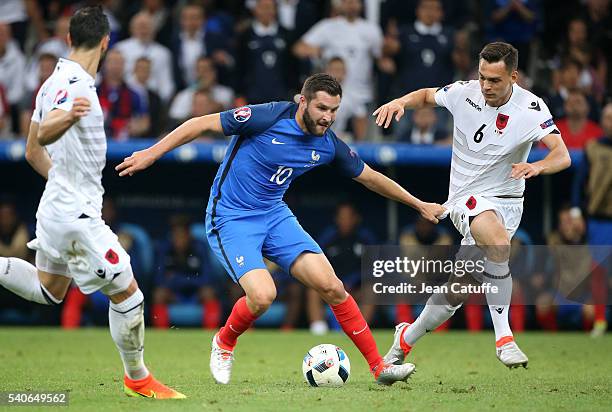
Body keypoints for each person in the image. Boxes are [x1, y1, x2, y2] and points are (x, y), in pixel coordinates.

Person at [116, 73, 445, 386]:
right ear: (302, 101)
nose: (328, 117)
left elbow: (371, 176)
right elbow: (200, 123)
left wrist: (419, 204)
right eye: (321, 108)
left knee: (332, 286)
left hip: (274, 216)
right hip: (231, 217)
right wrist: (151, 153)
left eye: (334, 110)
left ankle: (380, 367)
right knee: (263, 296)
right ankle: (224, 341)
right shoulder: (267, 117)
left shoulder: (328, 144)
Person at [0, 6, 184, 399]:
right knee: (130, 295)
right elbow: (47, 135)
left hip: (55, 205)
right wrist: (67, 119)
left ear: (68, 39)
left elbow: (31, 152)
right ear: (106, 42)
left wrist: (63, 181)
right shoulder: (75, 86)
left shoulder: (50, 83)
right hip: (75, 214)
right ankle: (138, 378)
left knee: (49, 289)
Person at [374, 42, 571, 369]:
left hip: (508, 205)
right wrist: (400, 102)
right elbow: (426, 95)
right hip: (466, 201)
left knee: (456, 291)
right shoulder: (464, 92)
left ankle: (404, 340)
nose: (486, 86)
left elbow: (561, 155)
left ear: (513, 76)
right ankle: (504, 339)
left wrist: (538, 166)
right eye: (482, 77)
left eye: (494, 80)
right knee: (497, 243)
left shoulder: (532, 108)